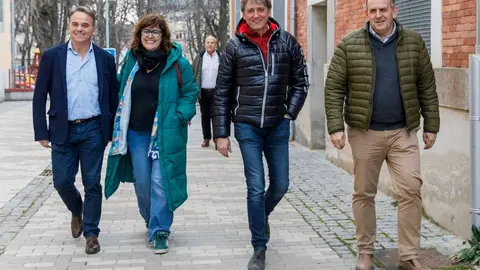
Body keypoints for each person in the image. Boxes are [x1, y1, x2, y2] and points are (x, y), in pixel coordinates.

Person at [324, 0, 440, 269]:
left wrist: (431, 124)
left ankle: (408, 255)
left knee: (411, 190)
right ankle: (365, 252)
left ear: (394, 11)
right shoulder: (349, 44)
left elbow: (427, 85)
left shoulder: (414, 42)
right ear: (367, 13)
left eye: (383, 10)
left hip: (403, 131)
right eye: (373, 10)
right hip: (365, 132)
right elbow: (334, 89)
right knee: (364, 193)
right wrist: (335, 127)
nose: (378, 15)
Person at [213, 0, 309, 269]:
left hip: (278, 126)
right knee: (255, 187)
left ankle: (260, 215)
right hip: (247, 126)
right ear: (244, 15)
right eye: (250, 10)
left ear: (269, 12)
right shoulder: (235, 46)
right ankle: (259, 247)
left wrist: (289, 112)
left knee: (280, 185)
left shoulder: (287, 42)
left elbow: (301, 81)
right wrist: (221, 133)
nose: (256, 15)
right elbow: (222, 92)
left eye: (260, 9)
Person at [104, 13, 198, 254]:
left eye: (155, 32)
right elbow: (118, 89)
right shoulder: (131, 61)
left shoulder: (176, 62)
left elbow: (190, 92)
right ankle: (151, 218)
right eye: (146, 32)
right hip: (136, 134)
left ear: (163, 35)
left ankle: (160, 230)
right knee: (143, 183)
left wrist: (181, 114)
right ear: (139, 35)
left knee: (159, 181)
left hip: (165, 134)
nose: (150, 36)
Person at [32, 6, 118, 254]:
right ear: (69, 26)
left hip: (93, 128)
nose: (80, 29)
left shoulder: (104, 59)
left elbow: (111, 97)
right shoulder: (52, 56)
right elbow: (39, 96)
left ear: (93, 29)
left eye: (85, 25)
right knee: (61, 181)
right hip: (62, 130)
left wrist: (110, 130)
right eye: (75, 24)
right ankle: (76, 210)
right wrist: (41, 131)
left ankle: (91, 234)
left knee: (92, 183)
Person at [192, 36, 223, 147]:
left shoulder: (221, 57)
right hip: (203, 91)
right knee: (205, 115)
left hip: (217, 91)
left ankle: (216, 139)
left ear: (216, 44)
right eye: (208, 42)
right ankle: (206, 138)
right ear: (204, 44)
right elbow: (193, 73)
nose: (210, 44)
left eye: (212, 43)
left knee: (216, 116)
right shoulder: (199, 58)